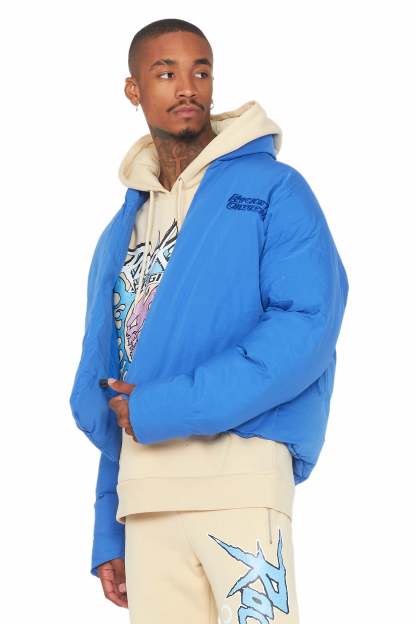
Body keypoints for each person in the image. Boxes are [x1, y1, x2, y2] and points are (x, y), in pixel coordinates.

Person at [69, 18, 349, 624]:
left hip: (240, 481)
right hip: (145, 500)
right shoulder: (122, 230)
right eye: (165, 72)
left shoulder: (274, 190)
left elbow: (305, 328)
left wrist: (164, 406)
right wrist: (108, 524)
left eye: (200, 71)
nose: (187, 86)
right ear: (133, 89)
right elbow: (119, 380)